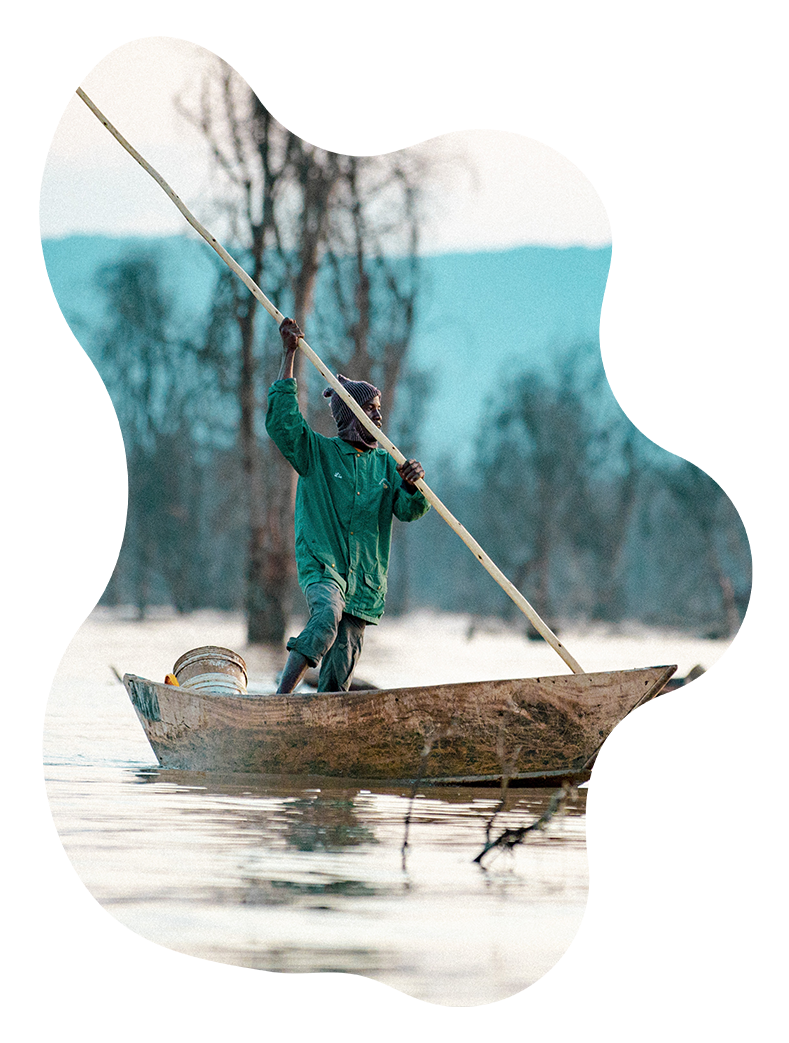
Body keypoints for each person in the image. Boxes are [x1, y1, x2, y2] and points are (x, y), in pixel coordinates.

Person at [265, 317, 430, 693]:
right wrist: (288, 354)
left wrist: (413, 487)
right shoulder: (317, 454)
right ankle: (279, 701)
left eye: (378, 409)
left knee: (340, 669)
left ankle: (324, 730)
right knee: (326, 616)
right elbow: (283, 422)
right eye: (369, 409)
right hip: (324, 569)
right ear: (349, 417)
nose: (378, 416)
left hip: (364, 582)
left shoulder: (388, 464)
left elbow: (408, 511)